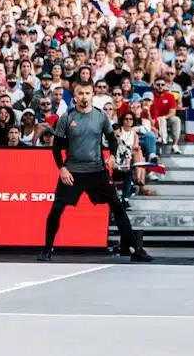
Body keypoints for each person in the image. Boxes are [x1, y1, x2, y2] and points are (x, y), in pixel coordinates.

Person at [38, 80, 152, 263]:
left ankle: (134, 250)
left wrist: (113, 156)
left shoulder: (100, 117)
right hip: (72, 172)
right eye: (80, 93)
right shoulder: (66, 117)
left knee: (118, 206)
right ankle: (47, 249)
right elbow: (56, 146)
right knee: (56, 209)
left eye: (87, 93)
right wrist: (62, 168)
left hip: (97, 171)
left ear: (92, 95)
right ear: (75, 97)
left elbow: (112, 139)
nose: (84, 97)